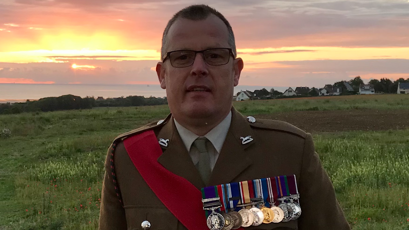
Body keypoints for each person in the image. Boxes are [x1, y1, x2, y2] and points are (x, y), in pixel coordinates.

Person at [99, 4, 350, 230]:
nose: (198, 68)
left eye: (215, 55)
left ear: (236, 71)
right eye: (182, 57)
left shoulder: (291, 151)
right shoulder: (127, 159)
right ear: (162, 74)